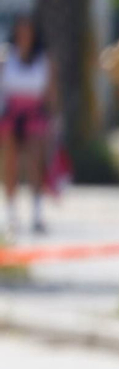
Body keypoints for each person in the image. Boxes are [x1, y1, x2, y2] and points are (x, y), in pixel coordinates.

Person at [0, 15, 54, 237]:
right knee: (9, 165)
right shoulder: (6, 57)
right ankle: (11, 214)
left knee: (35, 164)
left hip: (35, 115)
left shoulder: (43, 60)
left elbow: (51, 93)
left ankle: (37, 213)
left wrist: (54, 121)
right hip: (11, 115)